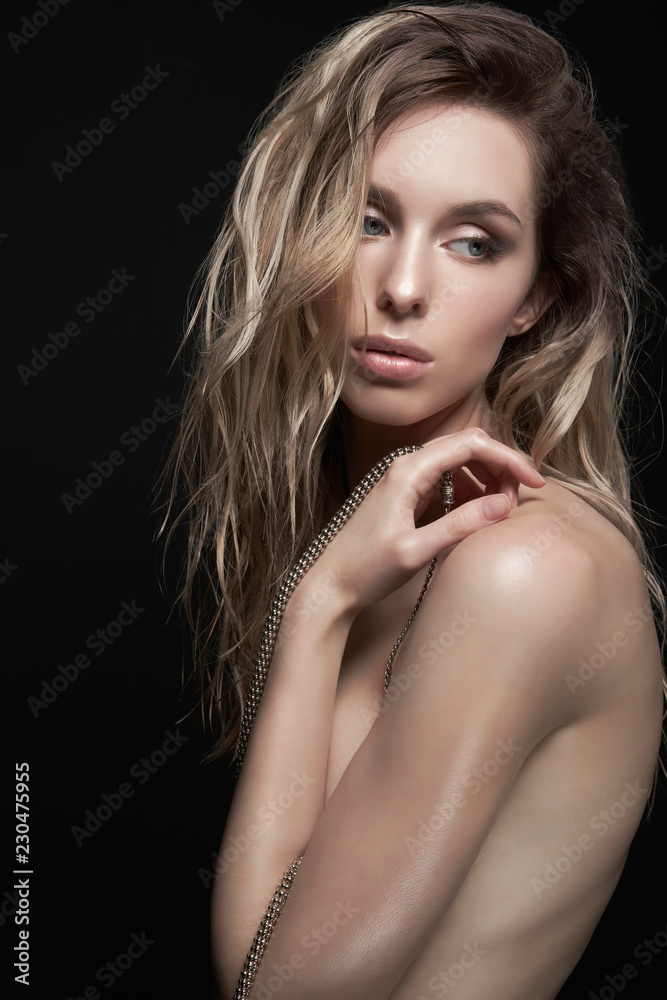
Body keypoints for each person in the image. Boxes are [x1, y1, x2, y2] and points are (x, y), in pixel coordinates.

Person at [158, 3, 665, 997]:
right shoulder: (377, 531)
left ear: (536, 295)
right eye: (368, 218)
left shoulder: (520, 566)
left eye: (473, 242)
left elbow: (277, 990)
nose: (399, 285)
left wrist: (316, 607)